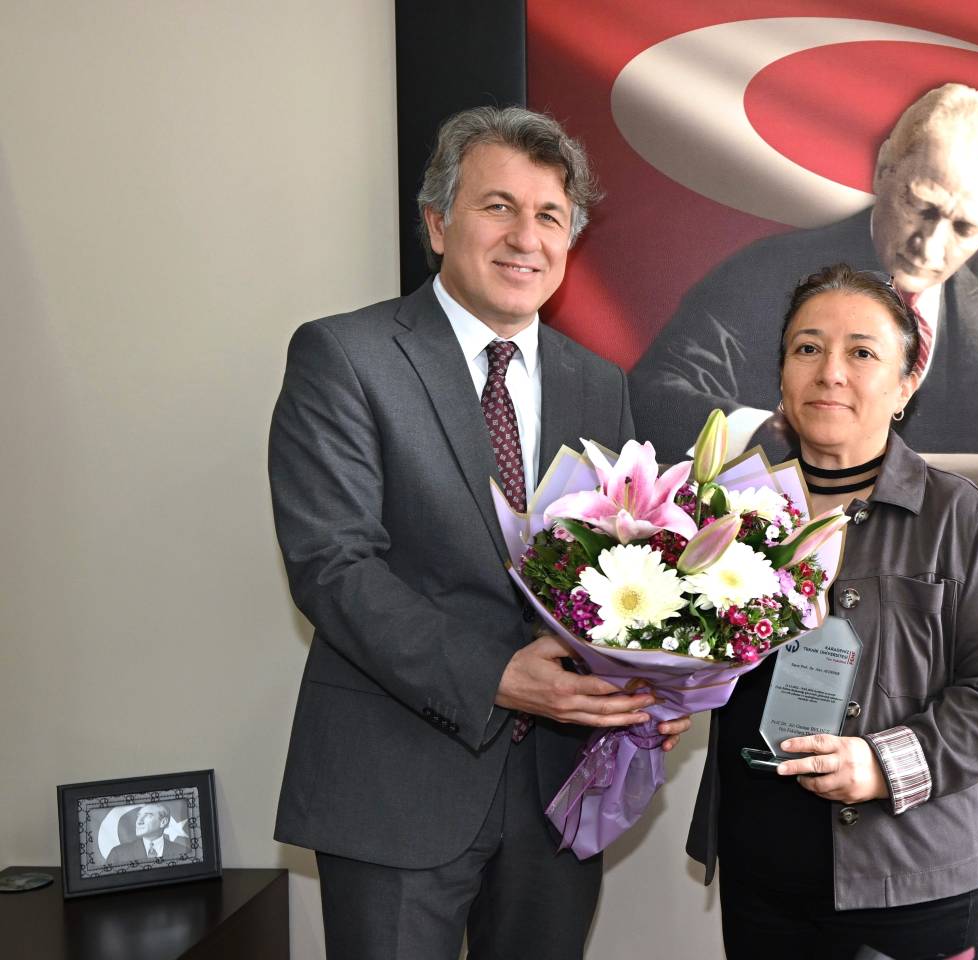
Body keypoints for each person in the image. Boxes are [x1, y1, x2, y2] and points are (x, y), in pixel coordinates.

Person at [269, 106, 689, 960]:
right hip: (396, 783)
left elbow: (620, 566)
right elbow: (333, 566)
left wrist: (650, 682)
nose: (525, 237)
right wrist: (495, 674)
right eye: (498, 206)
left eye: (549, 216)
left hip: (555, 791)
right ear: (437, 224)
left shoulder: (598, 383)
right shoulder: (345, 357)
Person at [687, 264, 978, 960]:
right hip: (760, 870)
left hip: (910, 880)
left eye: (861, 352)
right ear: (781, 374)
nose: (830, 372)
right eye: (807, 348)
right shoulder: (727, 511)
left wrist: (884, 764)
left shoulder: (961, 518)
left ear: (906, 384)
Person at [632, 83, 978, 462]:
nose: (929, 246)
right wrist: (765, 434)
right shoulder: (765, 273)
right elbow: (653, 394)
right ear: (884, 168)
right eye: (921, 206)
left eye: (964, 228)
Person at [105, 803, 189, 865]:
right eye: (138, 816)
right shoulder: (118, 853)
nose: (139, 821)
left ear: (163, 822)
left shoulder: (183, 851)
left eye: (148, 815)